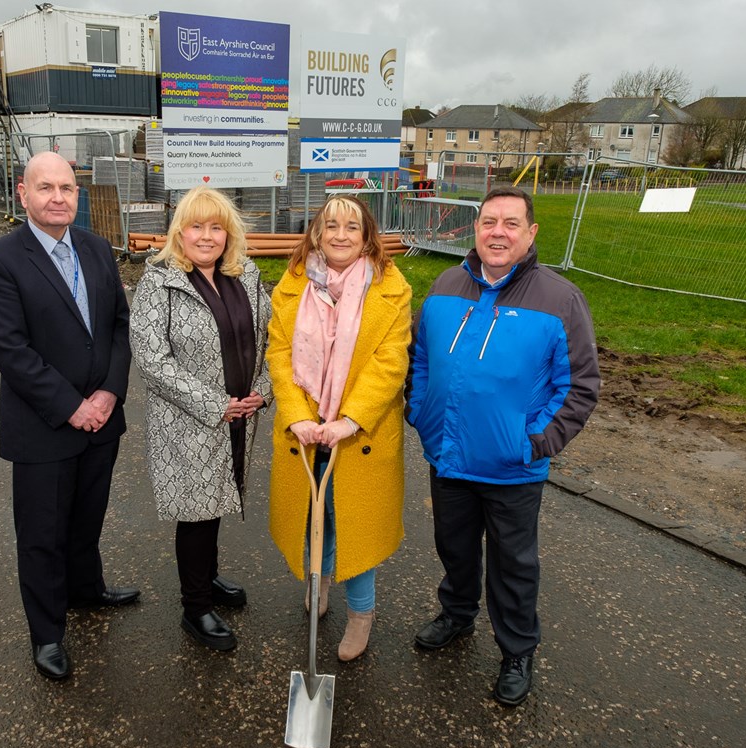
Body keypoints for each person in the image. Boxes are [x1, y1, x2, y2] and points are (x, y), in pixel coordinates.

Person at [407, 186, 600, 706]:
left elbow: (580, 385)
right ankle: (457, 613)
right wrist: (420, 413)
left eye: (511, 223)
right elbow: (420, 359)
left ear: (531, 233)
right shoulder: (446, 285)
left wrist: (536, 441)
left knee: (514, 565)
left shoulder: (559, 300)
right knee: (455, 547)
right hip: (448, 454)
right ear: (475, 228)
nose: (498, 232)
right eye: (489, 221)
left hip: (513, 466)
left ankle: (517, 649)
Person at [0, 152, 138, 681]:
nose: (58, 197)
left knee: (87, 518)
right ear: (23, 195)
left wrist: (110, 392)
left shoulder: (95, 248)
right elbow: (10, 349)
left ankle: (86, 591)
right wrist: (73, 407)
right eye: (45, 188)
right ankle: (47, 634)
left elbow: (117, 325)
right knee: (42, 534)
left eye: (67, 187)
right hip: (44, 427)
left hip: (102, 421)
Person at [266, 195, 412, 662]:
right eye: (331, 226)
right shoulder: (291, 287)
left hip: (361, 433)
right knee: (317, 519)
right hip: (307, 432)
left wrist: (350, 420)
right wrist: (298, 415)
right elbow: (279, 355)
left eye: (352, 227)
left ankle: (361, 615)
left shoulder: (392, 289)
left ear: (367, 235)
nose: (341, 235)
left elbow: (391, 362)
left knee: (356, 529)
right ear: (316, 234)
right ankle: (320, 582)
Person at [129, 186, 272, 653]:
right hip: (187, 422)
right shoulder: (159, 280)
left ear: (229, 234)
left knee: (216, 504)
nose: (207, 236)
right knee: (195, 513)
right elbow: (152, 359)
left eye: (217, 227)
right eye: (197, 226)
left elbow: (273, 340)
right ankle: (196, 608)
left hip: (238, 418)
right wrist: (215, 404)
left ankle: (207, 581)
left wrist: (261, 392)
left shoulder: (245, 276)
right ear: (179, 232)